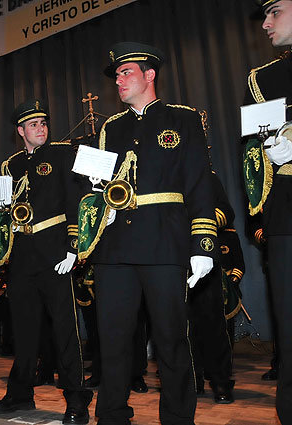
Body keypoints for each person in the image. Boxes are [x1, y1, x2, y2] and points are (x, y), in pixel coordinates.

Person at [88, 42, 217, 424]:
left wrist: (203, 244)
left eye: (126, 72)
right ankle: (111, 415)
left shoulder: (184, 118)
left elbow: (199, 185)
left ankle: (177, 418)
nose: (118, 81)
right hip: (115, 250)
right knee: (111, 341)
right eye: (116, 75)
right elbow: (101, 188)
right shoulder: (112, 127)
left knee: (171, 341)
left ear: (150, 75)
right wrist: (97, 207)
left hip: (166, 243)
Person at [0, 100, 93, 424]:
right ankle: (20, 393)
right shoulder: (11, 164)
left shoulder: (63, 154)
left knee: (65, 331)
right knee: (24, 331)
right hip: (22, 258)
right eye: (33, 125)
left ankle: (76, 400)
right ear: (20, 131)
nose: (41, 128)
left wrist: (74, 247)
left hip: (54, 254)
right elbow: (2, 215)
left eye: (43, 123)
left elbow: (79, 199)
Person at [242, 1, 292, 421]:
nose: (266, 23)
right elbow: (251, 160)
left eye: (275, 10)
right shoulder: (262, 80)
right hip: (287, 214)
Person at [188, 171, 236, 403]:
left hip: (204, 253)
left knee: (212, 323)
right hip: (171, 256)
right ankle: (191, 380)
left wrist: (199, 224)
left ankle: (220, 382)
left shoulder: (208, 176)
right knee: (179, 325)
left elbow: (227, 211)